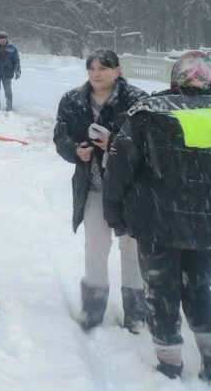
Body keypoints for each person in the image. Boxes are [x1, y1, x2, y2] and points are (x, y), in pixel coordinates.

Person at [103, 51, 211, 382]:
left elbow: (119, 169)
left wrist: (114, 211)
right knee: (198, 290)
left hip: (158, 225)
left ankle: (170, 363)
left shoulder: (147, 115)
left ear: (174, 79)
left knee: (161, 291)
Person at [53, 49, 148, 333]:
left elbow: (149, 142)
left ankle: (136, 313)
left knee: (130, 248)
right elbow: (60, 135)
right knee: (95, 247)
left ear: (117, 71)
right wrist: (74, 150)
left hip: (130, 189)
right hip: (93, 186)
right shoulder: (72, 100)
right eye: (92, 68)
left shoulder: (137, 100)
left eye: (104, 68)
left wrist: (117, 144)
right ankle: (93, 308)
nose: (97, 73)